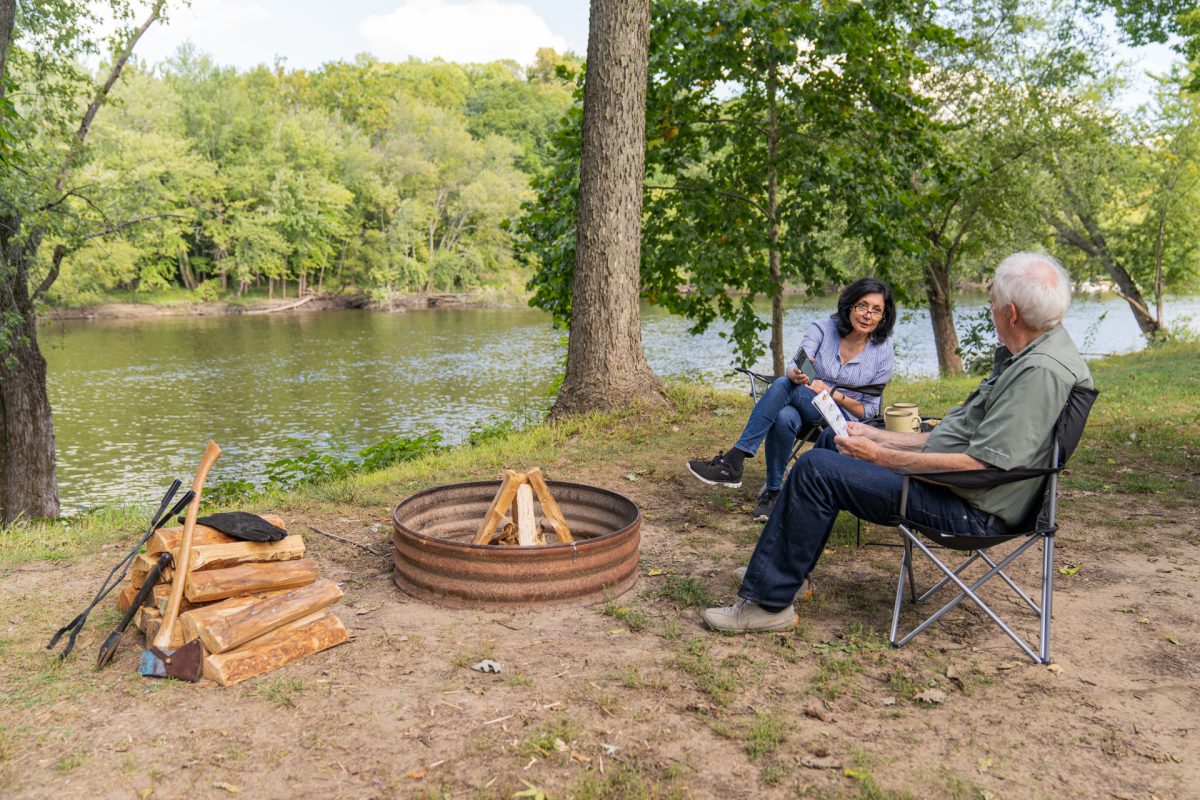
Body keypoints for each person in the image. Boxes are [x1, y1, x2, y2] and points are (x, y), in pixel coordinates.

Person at [703, 252, 1094, 633]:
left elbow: (986, 466)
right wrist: (874, 434)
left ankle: (769, 606)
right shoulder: (1033, 354)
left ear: (1010, 313)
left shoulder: (1040, 373)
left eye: (993, 303)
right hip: (953, 487)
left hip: (966, 509)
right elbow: (968, 443)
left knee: (814, 470)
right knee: (829, 439)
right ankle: (787, 573)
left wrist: (881, 456)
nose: (991, 310)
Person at [686, 277, 896, 521]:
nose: (867, 315)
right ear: (849, 306)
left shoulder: (883, 350)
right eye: (862, 306)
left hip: (843, 421)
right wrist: (796, 372)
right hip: (806, 407)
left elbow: (868, 411)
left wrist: (831, 393)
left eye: (876, 310)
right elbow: (796, 364)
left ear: (883, 316)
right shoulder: (822, 328)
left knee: (783, 389)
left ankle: (734, 462)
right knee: (785, 408)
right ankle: (774, 493)